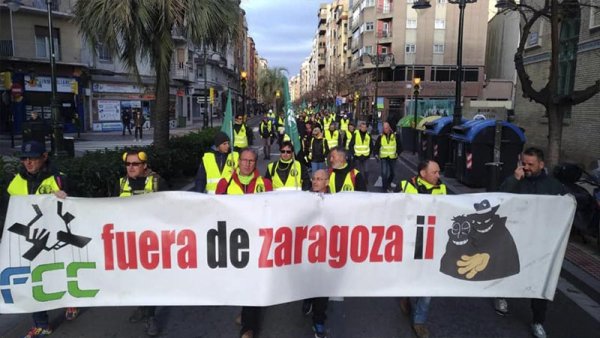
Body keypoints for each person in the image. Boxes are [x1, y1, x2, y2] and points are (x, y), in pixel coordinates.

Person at [6, 141, 79, 338]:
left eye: (33, 158)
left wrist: (66, 196)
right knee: (33, 279)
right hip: (30, 238)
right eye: (24, 158)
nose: (28, 162)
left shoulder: (58, 179)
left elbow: (78, 207)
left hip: (56, 237)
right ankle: (41, 324)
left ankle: (70, 300)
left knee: (61, 272)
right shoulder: (16, 182)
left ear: (44, 157)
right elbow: (11, 211)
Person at [496, 147, 566, 338]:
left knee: (539, 280)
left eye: (530, 164)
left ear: (541, 165)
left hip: (540, 242)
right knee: (509, 271)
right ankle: (502, 295)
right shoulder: (515, 181)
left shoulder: (553, 186)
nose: (526, 167)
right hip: (516, 237)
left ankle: (538, 321)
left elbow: (565, 208)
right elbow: (501, 199)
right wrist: (514, 180)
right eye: (523, 163)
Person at [216, 148, 272, 338]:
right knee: (241, 283)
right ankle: (245, 311)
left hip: (257, 242)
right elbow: (215, 212)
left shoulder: (265, 184)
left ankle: (248, 328)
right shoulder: (225, 184)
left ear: (256, 163)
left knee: (253, 283)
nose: (247, 164)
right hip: (234, 243)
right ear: (238, 162)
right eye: (244, 160)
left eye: (251, 161)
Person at [396, 160, 446, 338]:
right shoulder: (406, 186)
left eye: (438, 172)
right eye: (435, 172)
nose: (438, 176)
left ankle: (419, 321)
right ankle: (405, 295)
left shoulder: (442, 189)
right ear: (423, 174)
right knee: (409, 276)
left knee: (427, 284)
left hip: (431, 243)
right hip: (409, 242)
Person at [119, 150, 166, 336]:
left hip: (151, 241)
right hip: (128, 240)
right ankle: (142, 307)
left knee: (149, 281)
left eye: (135, 164)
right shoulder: (121, 183)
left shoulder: (157, 182)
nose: (131, 167)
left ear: (144, 165)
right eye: (128, 164)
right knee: (135, 279)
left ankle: (150, 316)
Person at [301, 169, 330, 338]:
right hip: (307, 251)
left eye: (320, 179)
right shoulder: (305, 198)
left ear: (327, 182)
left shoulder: (337, 200)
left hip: (326, 253)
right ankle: (307, 298)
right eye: (314, 178)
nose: (315, 181)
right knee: (307, 281)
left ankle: (319, 321)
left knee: (322, 288)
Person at [374, 122, 402, 192]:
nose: (385, 129)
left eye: (386, 128)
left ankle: (388, 183)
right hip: (384, 157)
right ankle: (385, 188)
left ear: (389, 127)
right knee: (384, 173)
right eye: (384, 128)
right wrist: (376, 154)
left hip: (392, 158)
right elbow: (376, 147)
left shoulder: (395, 136)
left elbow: (400, 147)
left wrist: (397, 153)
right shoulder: (380, 136)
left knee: (393, 173)